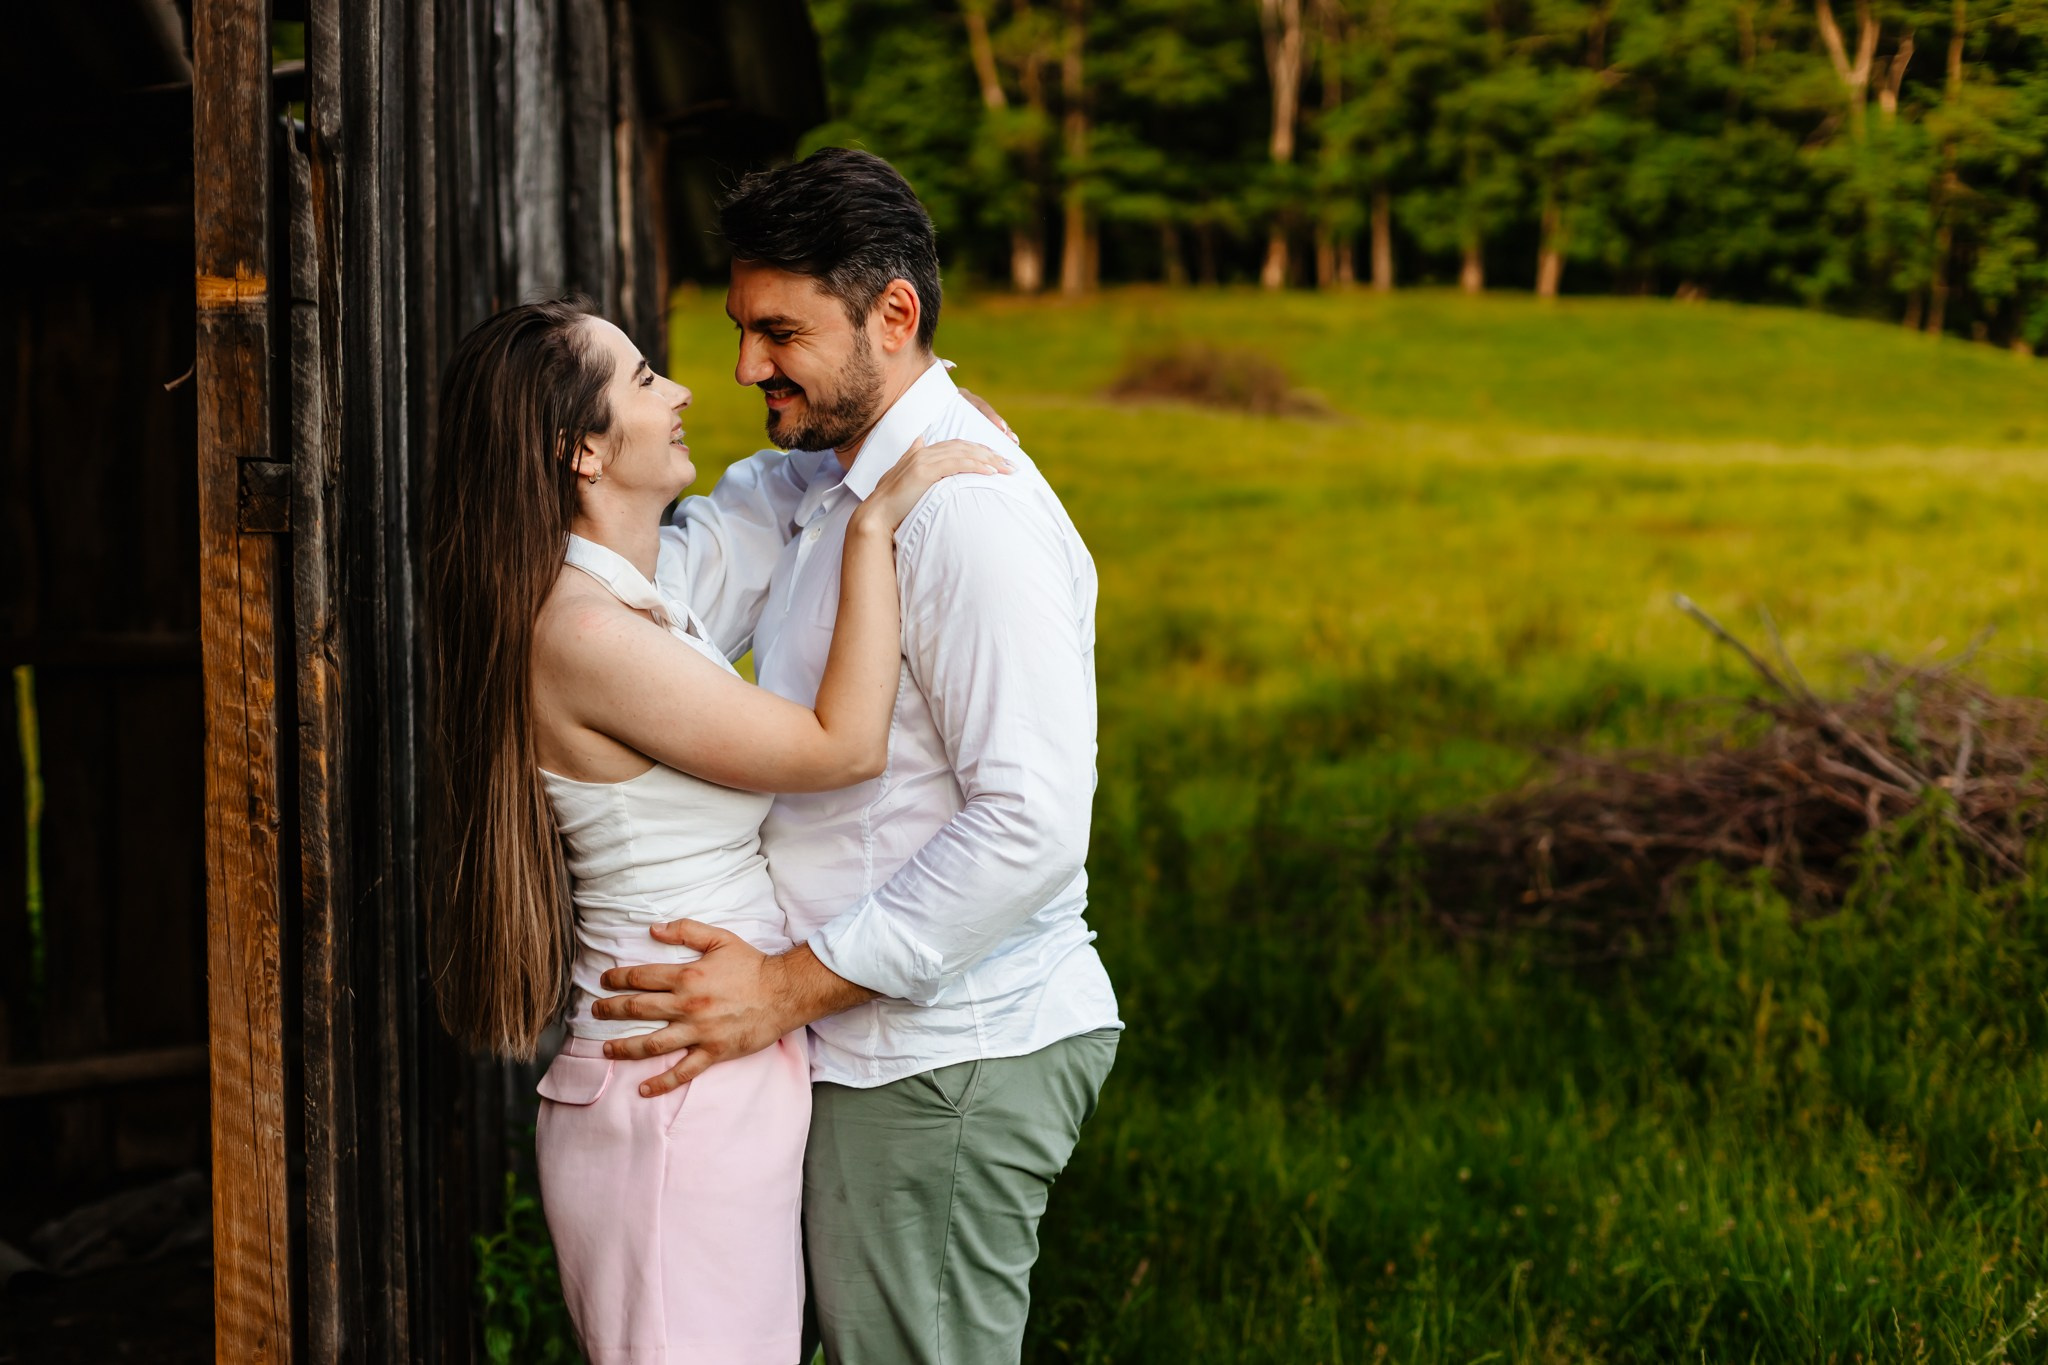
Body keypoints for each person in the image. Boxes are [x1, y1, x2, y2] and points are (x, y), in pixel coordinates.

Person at [593, 147, 1123, 1364]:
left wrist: (785, 989)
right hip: (869, 1045)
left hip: (945, 1051)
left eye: (779, 333)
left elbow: (1031, 827)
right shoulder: (814, 481)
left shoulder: (965, 516)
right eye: (739, 329)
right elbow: (654, 605)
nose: (745, 367)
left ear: (893, 315)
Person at [420, 295, 1007, 1364]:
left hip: (711, 1063)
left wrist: (911, 417)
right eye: (645, 379)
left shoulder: (627, 603)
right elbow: (840, 747)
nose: (685, 390)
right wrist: (875, 524)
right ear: (584, 450)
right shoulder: (583, 633)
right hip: (669, 1089)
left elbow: (766, 497)